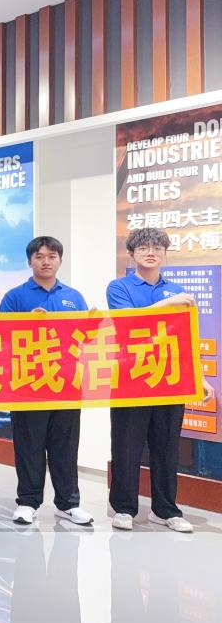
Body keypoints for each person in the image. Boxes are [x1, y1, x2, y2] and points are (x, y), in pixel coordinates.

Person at [106, 227, 213, 533]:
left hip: (170, 379)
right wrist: (170, 304)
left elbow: (188, 338)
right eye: (143, 248)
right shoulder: (119, 287)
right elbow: (129, 321)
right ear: (132, 254)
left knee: (166, 447)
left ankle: (165, 509)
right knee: (127, 446)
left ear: (165, 254)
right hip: (131, 377)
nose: (150, 253)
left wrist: (200, 377)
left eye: (157, 248)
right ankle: (124, 508)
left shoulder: (176, 290)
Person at [0, 236, 93, 527]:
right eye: (39, 257)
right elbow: (0, 337)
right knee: (30, 447)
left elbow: (85, 338)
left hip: (66, 383)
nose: (46, 262)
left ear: (60, 260)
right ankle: (28, 502)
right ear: (30, 262)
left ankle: (68, 504)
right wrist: (26, 322)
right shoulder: (15, 297)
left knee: (66, 446)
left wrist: (92, 324)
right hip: (29, 384)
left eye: (52, 256)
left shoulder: (73, 296)